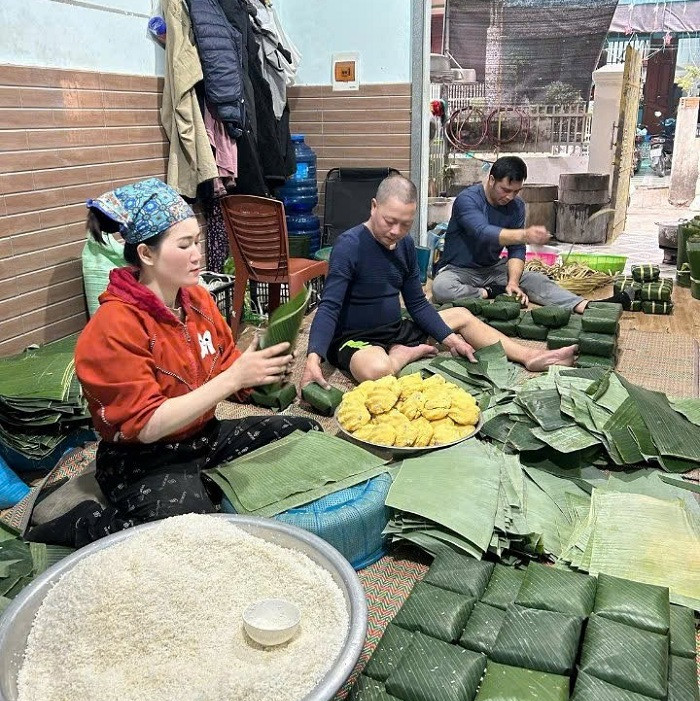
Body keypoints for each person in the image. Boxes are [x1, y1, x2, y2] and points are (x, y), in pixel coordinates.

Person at [29, 179, 318, 549]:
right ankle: (82, 524)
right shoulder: (113, 327)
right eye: (184, 245)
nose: (198, 254)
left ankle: (200, 484)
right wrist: (232, 379)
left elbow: (226, 364)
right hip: (140, 458)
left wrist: (259, 365)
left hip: (202, 437)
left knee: (303, 433)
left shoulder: (197, 299)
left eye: (197, 241)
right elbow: (147, 425)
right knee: (192, 533)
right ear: (146, 254)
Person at [300, 175, 576, 390]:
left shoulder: (405, 246)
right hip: (355, 339)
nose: (396, 231)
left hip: (395, 328)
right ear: (374, 207)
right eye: (389, 221)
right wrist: (313, 358)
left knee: (462, 315)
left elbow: (418, 303)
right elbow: (329, 307)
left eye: (405, 224)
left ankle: (528, 356)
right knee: (378, 372)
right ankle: (403, 355)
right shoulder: (349, 246)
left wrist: (450, 338)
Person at [432, 156, 632, 312]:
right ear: (491, 180)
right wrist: (525, 234)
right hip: (459, 271)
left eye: (516, 191)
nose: (510, 197)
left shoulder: (517, 206)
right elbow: (482, 232)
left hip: (492, 269)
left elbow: (516, 250)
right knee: (441, 288)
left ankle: (585, 306)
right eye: (505, 189)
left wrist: (513, 282)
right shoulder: (468, 200)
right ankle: (488, 292)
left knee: (536, 279)